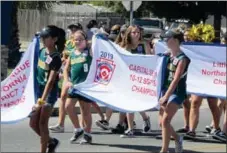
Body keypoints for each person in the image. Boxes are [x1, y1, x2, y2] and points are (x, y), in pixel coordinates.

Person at [29, 25, 65, 153]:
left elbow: (50, 82)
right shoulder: (42, 51)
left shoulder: (55, 57)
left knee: (42, 124)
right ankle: (51, 141)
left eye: (46, 37)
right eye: (42, 37)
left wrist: (41, 101)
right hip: (39, 90)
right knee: (33, 124)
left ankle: (44, 150)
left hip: (48, 94)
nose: (43, 39)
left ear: (54, 39)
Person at [114, 25, 152, 138]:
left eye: (138, 32)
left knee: (136, 102)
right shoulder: (124, 46)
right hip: (128, 78)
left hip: (141, 77)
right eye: (133, 32)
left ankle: (145, 118)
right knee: (129, 102)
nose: (136, 34)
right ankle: (130, 128)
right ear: (129, 34)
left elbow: (150, 58)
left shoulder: (144, 44)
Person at [158, 29, 190, 153]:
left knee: (166, 120)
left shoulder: (183, 59)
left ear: (176, 40)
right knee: (162, 123)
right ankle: (177, 138)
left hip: (176, 92)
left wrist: (166, 96)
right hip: (166, 90)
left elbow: (176, 79)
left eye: (168, 38)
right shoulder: (167, 55)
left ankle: (164, 150)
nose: (165, 41)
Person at [49, 23, 82, 133]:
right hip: (67, 73)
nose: (72, 31)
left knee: (85, 102)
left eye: (75, 29)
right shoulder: (68, 43)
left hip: (78, 74)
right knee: (63, 97)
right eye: (71, 28)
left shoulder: (81, 42)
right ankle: (60, 124)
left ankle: (86, 124)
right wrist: (63, 60)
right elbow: (64, 56)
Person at [64, 30, 93, 144]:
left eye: (80, 39)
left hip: (86, 87)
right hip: (74, 86)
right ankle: (78, 129)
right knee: (68, 107)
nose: (78, 41)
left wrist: (91, 42)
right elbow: (66, 69)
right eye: (75, 39)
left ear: (85, 41)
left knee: (85, 112)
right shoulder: (72, 53)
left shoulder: (89, 51)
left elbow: (96, 44)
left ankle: (88, 134)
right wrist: (66, 81)